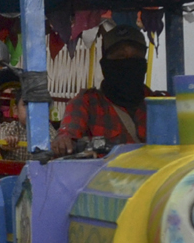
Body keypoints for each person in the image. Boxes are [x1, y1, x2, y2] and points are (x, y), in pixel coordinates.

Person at [52, 24, 158, 156]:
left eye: (136, 58)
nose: (128, 64)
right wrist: (63, 141)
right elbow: (68, 134)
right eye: (120, 57)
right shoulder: (87, 103)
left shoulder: (160, 104)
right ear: (105, 65)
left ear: (144, 64)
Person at [0, 87, 57, 161]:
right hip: (13, 171)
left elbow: (54, 144)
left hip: (39, 171)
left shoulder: (47, 129)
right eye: (26, 104)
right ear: (16, 110)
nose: (31, 110)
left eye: (37, 105)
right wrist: (7, 142)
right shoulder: (10, 127)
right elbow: (1, 141)